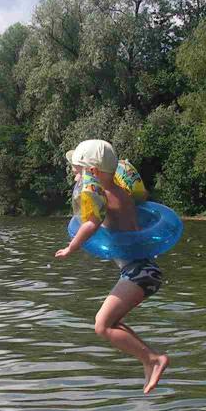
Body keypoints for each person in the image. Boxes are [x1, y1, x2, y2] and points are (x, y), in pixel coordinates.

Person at [54, 138, 169, 394]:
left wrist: (71, 248)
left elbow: (91, 224)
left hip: (138, 272)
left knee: (102, 325)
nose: (74, 174)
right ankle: (150, 359)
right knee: (111, 322)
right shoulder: (121, 191)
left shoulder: (104, 196)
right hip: (143, 270)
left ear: (92, 172)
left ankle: (153, 359)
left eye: (77, 169)